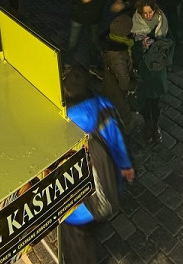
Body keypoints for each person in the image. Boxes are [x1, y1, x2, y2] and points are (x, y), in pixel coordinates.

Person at [58, 66, 134, 264]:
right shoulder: (104, 105)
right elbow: (118, 142)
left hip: (76, 209)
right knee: (91, 231)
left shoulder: (61, 121)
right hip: (107, 190)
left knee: (78, 247)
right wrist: (127, 168)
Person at [131, 0, 172, 145]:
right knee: (144, 98)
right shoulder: (136, 23)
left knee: (155, 99)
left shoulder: (162, 21)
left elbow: (170, 43)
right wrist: (141, 45)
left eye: (150, 12)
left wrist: (160, 48)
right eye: (145, 13)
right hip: (144, 69)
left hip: (157, 68)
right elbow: (133, 49)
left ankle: (155, 125)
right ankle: (147, 123)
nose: (148, 16)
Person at [100, 14, 139, 131]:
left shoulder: (117, 42)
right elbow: (124, 82)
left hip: (110, 82)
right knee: (122, 109)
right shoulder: (118, 55)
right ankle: (127, 129)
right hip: (116, 89)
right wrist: (133, 84)